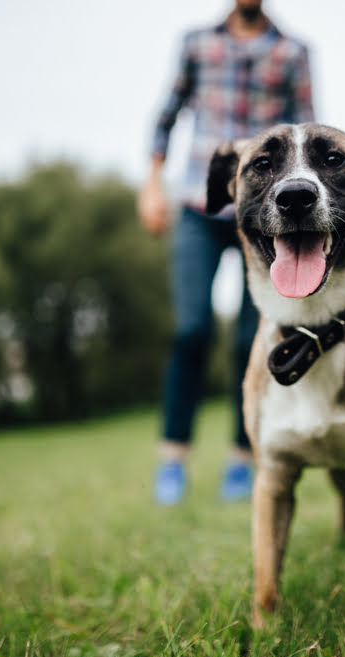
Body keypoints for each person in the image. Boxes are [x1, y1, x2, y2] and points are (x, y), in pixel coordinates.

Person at [139, 0, 315, 505]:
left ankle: (242, 459)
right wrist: (152, 185)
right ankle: (173, 459)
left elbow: (307, 129)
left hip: (264, 213)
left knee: (250, 339)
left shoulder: (293, 52)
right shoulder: (197, 44)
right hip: (199, 203)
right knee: (189, 329)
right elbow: (166, 117)